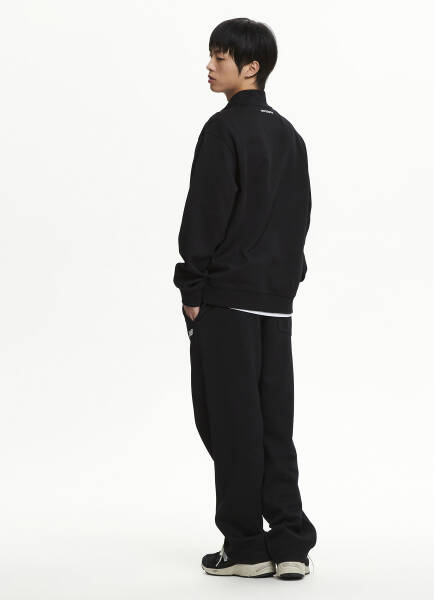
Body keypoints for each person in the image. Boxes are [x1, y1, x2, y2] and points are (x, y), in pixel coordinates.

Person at [173, 17, 317, 580]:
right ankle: (290, 543)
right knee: (273, 425)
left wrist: (192, 285)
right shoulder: (290, 136)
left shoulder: (223, 129)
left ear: (250, 66)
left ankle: (246, 547)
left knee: (229, 422)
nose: (210, 66)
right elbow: (299, 217)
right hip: (275, 303)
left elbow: (206, 213)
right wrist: (285, 282)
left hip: (228, 302)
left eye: (221, 57)